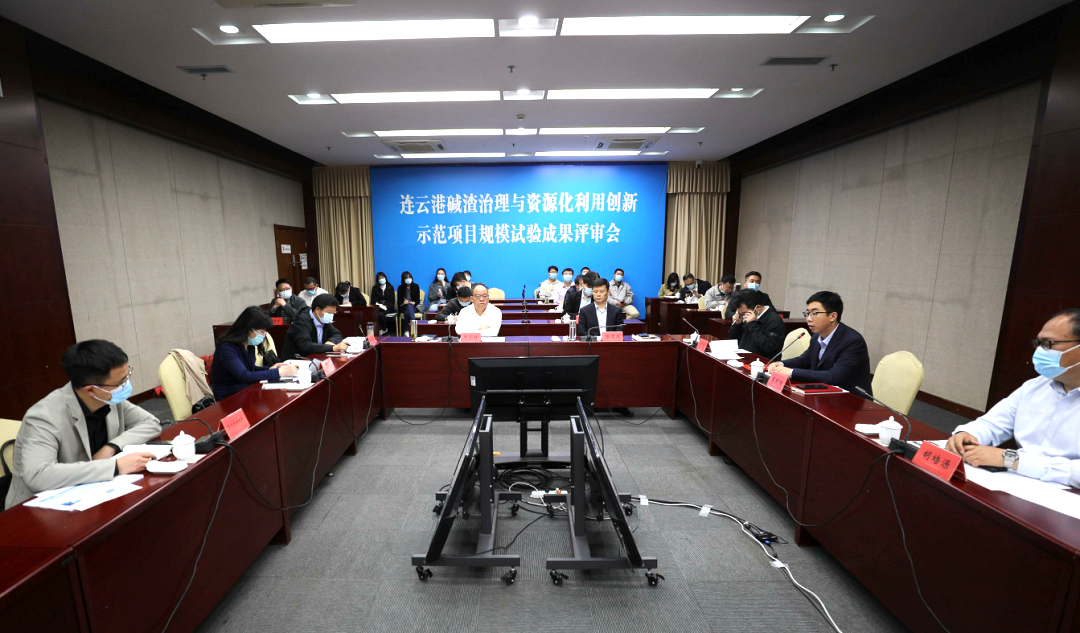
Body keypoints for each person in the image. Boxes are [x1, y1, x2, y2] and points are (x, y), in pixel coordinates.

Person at [4, 340, 161, 509]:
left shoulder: (109, 398)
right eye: (120, 382)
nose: (126, 385)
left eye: (127, 376)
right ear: (90, 390)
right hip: (38, 509)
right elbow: (38, 476)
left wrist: (111, 447)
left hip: (94, 493)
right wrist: (115, 466)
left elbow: (150, 423)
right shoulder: (43, 417)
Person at [944, 309, 1080, 484]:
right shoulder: (1036, 386)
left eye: (1048, 344)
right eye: (1038, 343)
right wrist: (967, 435)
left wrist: (1014, 460)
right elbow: (992, 424)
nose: (1039, 351)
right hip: (1019, 483)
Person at [767, 291, 871, 395]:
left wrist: (791, 372)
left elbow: (835, 376)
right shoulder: (816, 337)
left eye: (814, 313)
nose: (808, 319)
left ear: (833, 316)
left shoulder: (852, 341)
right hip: (823, 394)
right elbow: (804, 360)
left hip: (851, 400)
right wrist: (781, 364)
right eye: (807, 313)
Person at [210, 307, 298, 400]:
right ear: (248, 328)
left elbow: (251, 368)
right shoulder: (226, 349)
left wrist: (271, 369)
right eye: (261, 332)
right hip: (229, 398)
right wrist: (279, 372)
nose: (264, 336)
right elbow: (245, 375)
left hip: (245, 391)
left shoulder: (249, 345)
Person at [283, 294, 349, 359]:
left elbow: (337, 334)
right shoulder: (301, 322)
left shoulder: (322, 319)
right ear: (317, 310)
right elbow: (306, 346)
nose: (331, 316)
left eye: (333, 313)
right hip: (297, 361)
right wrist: (333, 348)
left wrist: (330, 342)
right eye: (329, 312)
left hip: (315, 358)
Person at [727, 290, 786, 359]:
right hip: (743, 357)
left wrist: (752, 324)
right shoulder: (747, 316)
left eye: (744, 313)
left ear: (757, 307)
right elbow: (733, 339)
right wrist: (737, 325)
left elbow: (768, 347)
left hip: (762, 361)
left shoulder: (775, 321)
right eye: (740, 313)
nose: (743, 316)